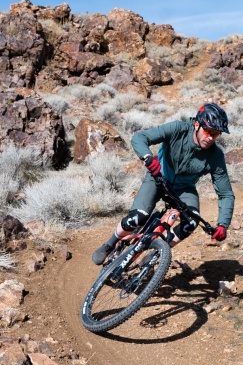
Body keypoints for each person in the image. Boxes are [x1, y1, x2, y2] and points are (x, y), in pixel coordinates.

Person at [92, 103, 235, 265]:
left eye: (216, 135)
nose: (210, 138)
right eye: (208, 131)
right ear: (197, 124)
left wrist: (223, 224)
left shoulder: (215, 155)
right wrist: (147, 157)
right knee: (137, 217)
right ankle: (110, 243)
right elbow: (140, 138)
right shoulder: (177, 129)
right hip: (157, 177)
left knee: (192, 222)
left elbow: (225, 193)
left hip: (184, 188)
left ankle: (157, 251)